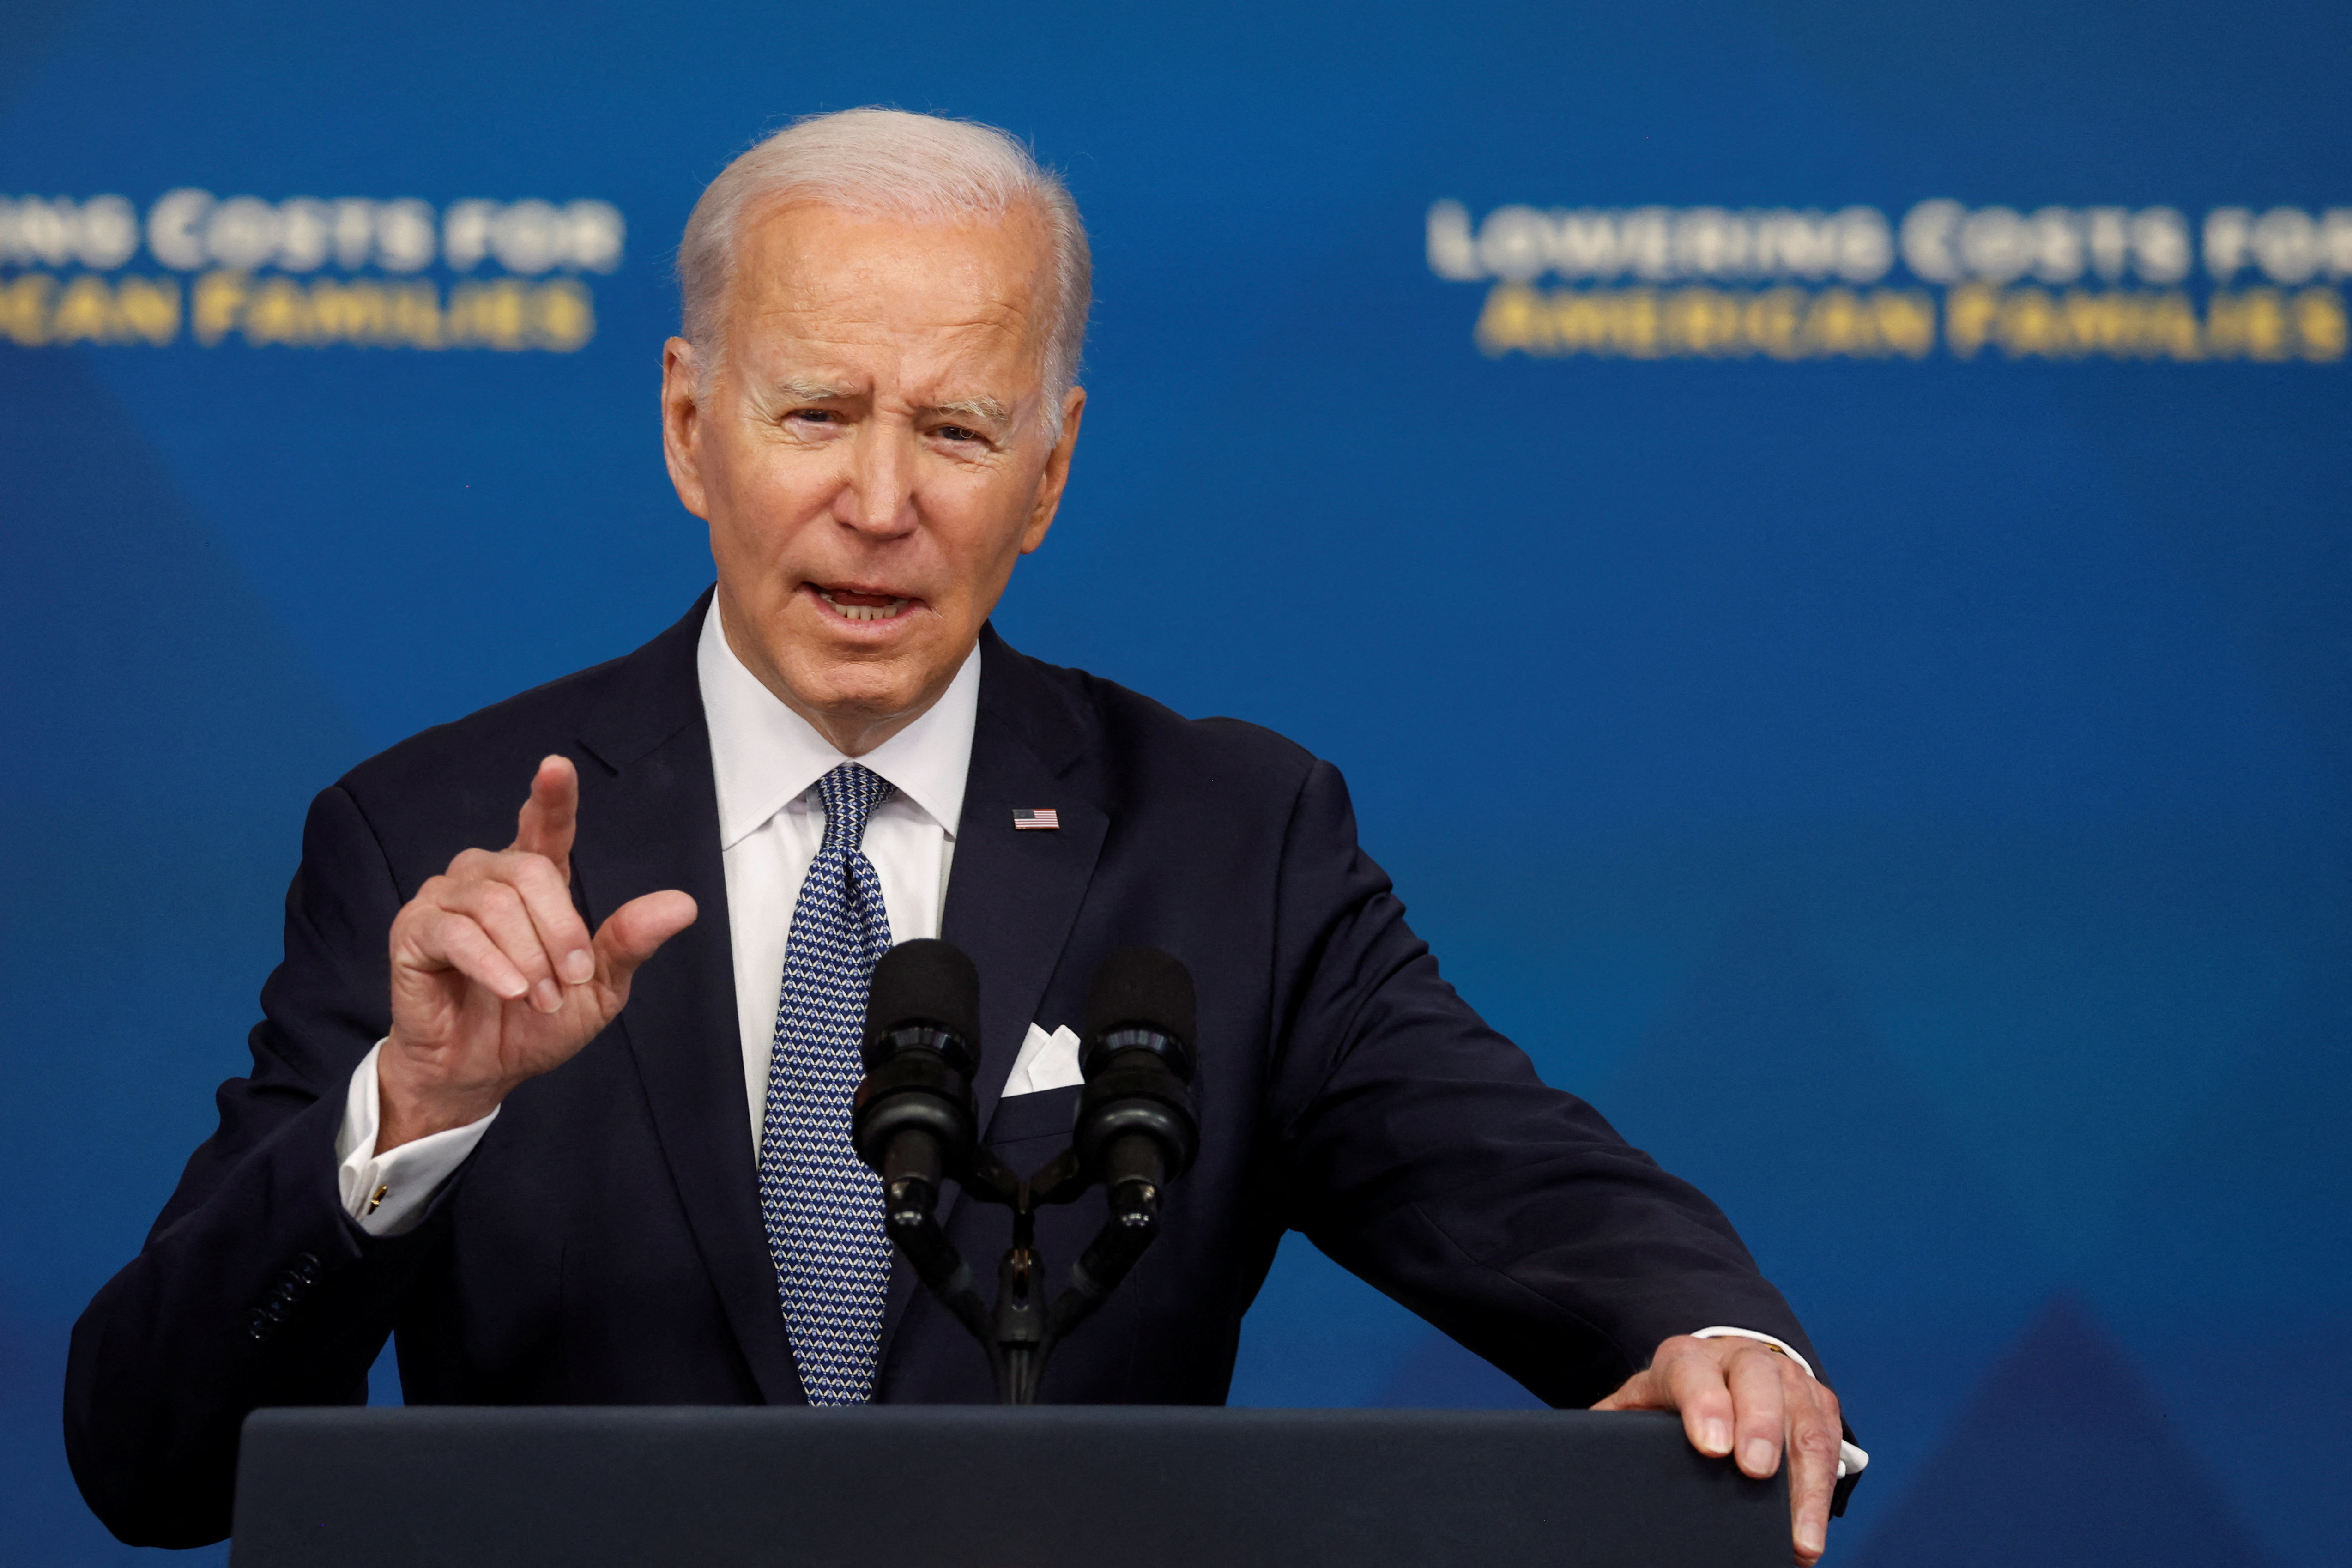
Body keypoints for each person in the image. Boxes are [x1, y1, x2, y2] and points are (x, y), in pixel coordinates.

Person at [65, 109, 1861, 1559]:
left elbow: (1514, 1179)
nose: (879, 502)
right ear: (690, 429)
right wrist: (410, 1116)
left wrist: (1722, 1337)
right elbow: (152, 1458)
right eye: (816, 413)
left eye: (953, 428)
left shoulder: (1230, 843)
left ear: (1049, 473)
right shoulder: (430, 842)